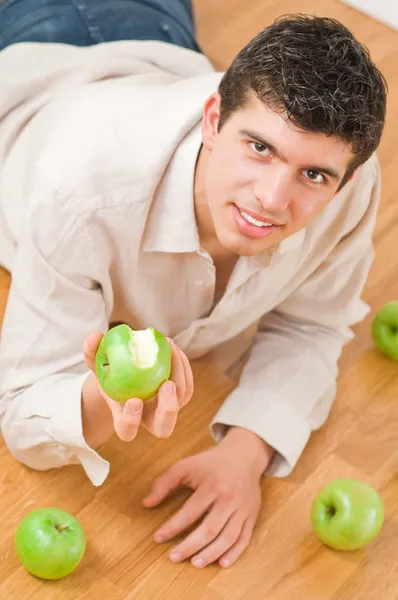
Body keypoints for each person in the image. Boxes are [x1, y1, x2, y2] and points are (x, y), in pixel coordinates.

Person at [0, 0, 387, 570]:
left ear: (347, 177)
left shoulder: (348, 180)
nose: (271, 199)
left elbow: (313, 324)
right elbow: (22, 412)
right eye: (260, 147)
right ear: (213, 120)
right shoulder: (77, 191)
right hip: (32, 46)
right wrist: (102, 401)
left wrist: (246, 449)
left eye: (312, 175)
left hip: (158, 41)